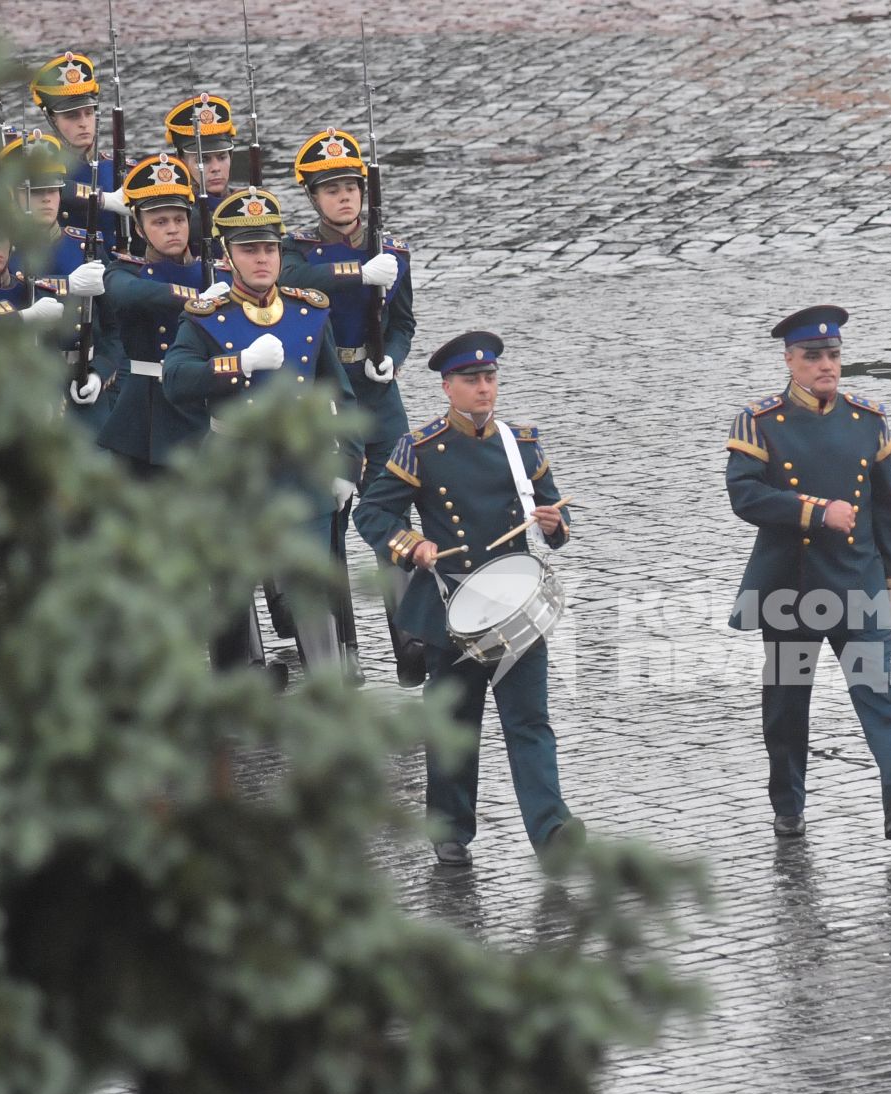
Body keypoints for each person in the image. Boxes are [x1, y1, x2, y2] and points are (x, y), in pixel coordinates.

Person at [352, 331, 586, 867]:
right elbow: (372, 514)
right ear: (447, 387)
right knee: (456, 727)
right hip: (450, 610)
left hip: (516, 605)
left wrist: (554, 524)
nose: (484, 389)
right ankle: (451, 829)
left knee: (530, 722)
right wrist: (412, 545)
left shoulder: (520, 443)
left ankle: (552, 831)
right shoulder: (421, 447)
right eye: (471, 380)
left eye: (490, 378)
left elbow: (557, 514)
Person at [725, 305, 891, 842]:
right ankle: (788, 804)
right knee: (788, 706)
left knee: (876, 687)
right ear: (789, 360)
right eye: (813, 357)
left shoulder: (867, 418)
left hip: (857, 579)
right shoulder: (759, 422)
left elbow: (888, 507)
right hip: (790, 585)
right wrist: (814, 511)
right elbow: (745, 495)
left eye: (833, 355)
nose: (826, 366)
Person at [161, 185, 358, 676]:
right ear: (228, 255)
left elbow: (342, 394)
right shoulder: (208, 317)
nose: (263, 258)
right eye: (250, 249)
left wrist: (348, 466)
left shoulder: (310, 310)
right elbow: (176, 379)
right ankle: (236, 687)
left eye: (269, 248)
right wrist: (237, 363)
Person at [280, 127, 413, 686]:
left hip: (379, 395)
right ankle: (342, 652)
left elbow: (402, 322)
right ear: (313, 197)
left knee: (393, 512)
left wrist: (395, 358)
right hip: (323, 394)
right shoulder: (299, 251)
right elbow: (293, 279)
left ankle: (411, 637)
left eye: (350, 187)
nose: (344, 197)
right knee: (327, 526)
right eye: (330, 189)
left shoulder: (393, 250)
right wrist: (357, 271)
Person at [99, 153, 230, 476]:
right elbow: (129, 294)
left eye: (179, 219)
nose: (172, 229)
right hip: (148, 409)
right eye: (159, 221)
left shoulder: (215, 273)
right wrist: (197, 299)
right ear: (140, 229)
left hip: (202, 401)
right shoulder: (125, 271)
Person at [0, 129, 119, 436]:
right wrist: (67, 285)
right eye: (35, 192)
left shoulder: (86, 248)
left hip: (81, 380)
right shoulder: (1, 251)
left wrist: (100, 371)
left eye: (52, 191)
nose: (47, 200)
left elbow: (115, 327)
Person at [27, 50, 125, 253]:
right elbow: (58, 189)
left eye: (89, 113)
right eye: (72, 116)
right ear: (52, 119)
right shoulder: (42, 166)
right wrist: (103, 199)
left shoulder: (115, 166)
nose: (83, 123)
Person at [166, 93, 238, 206]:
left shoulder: (244, 201)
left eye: (222, 157)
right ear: (181, 161)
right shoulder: (176, 213)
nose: (216, 168)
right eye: (203, 160)